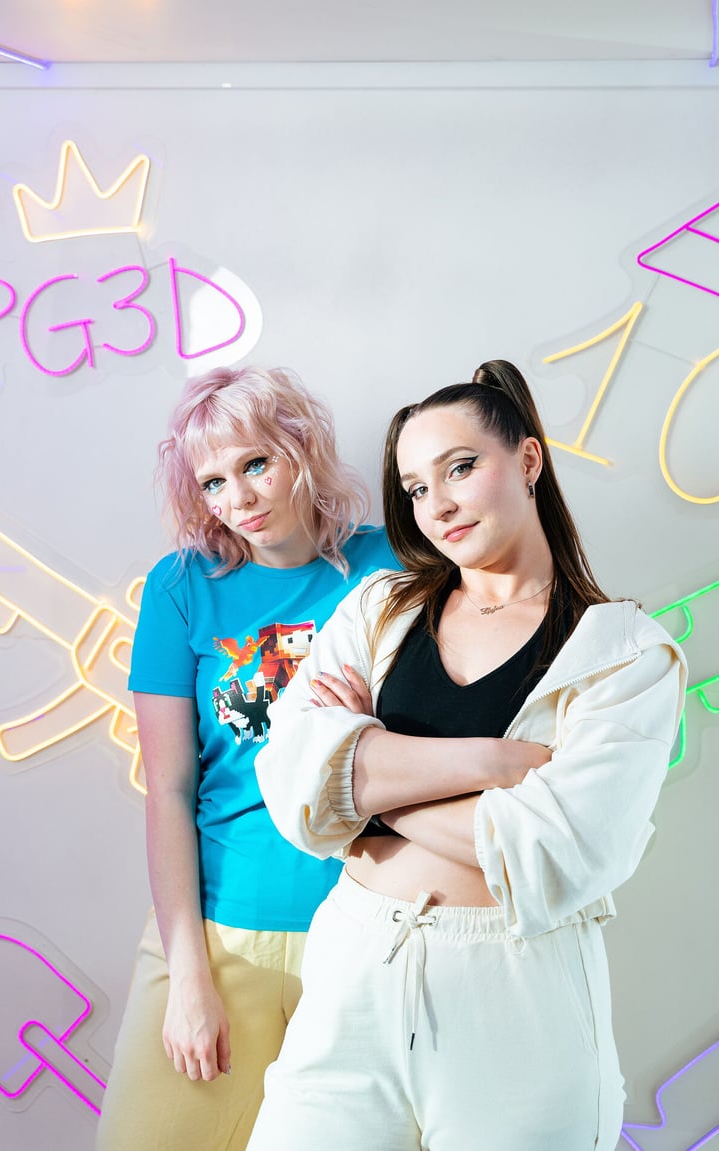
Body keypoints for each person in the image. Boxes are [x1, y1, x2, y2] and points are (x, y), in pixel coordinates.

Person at [248, 360, 687, 1151]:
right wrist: (489, 764)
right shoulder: (380, 608)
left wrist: (365, 784)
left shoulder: (624, 654)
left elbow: (556, 852)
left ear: (527, 459)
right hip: (353, 968)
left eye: (459, 468)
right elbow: (291, 779)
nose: (438, 505)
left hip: (516, 996)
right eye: (416, 487)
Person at [95, 365, 396, 1151]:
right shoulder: (182, 588)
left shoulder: (392, 567)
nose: (239, 497)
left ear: (302, 447)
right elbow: (168, 789)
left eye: (256, 462)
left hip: (365, 933)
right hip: (220, 932)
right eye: (214, 481)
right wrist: (188, 976)